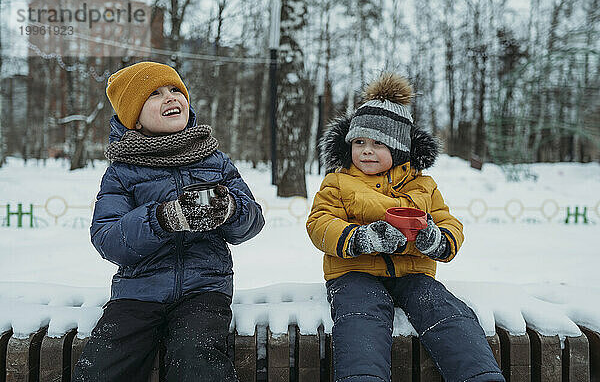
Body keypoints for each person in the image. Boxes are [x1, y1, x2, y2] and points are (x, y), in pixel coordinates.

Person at [73, 61, 264, 382]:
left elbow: (253, 221)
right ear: (133, 116)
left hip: (204, 289)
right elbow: (107, 239)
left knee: (197, 360)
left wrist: (229, 209)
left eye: (176, 89)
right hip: (137, 292)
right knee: (103, 366)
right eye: (155, 94)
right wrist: (163, 218)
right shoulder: (122, 171)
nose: (171, 97)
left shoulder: (213, 160)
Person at [306, 73, 505, 382]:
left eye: (378, 143)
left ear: (399, 149)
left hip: (413, 273)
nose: (366, 151)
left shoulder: (423, 185)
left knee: (446, 311)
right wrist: (360, 238)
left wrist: (437, 240)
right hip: (354, 273)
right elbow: (320, 222)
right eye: (359, 142)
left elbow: (448, 221)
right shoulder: (338, 181)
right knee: (361, 318)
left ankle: (479, 375)